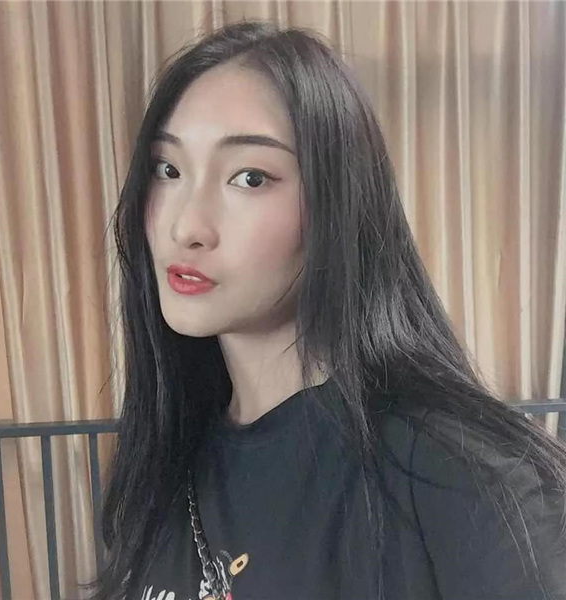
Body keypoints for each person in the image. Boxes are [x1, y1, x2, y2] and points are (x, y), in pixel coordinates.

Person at [86, 20, 566, 600]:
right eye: (168, 169)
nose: (185, 225)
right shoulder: (164, 461)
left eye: (250, 177)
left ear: (338, 204)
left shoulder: (458, 475)